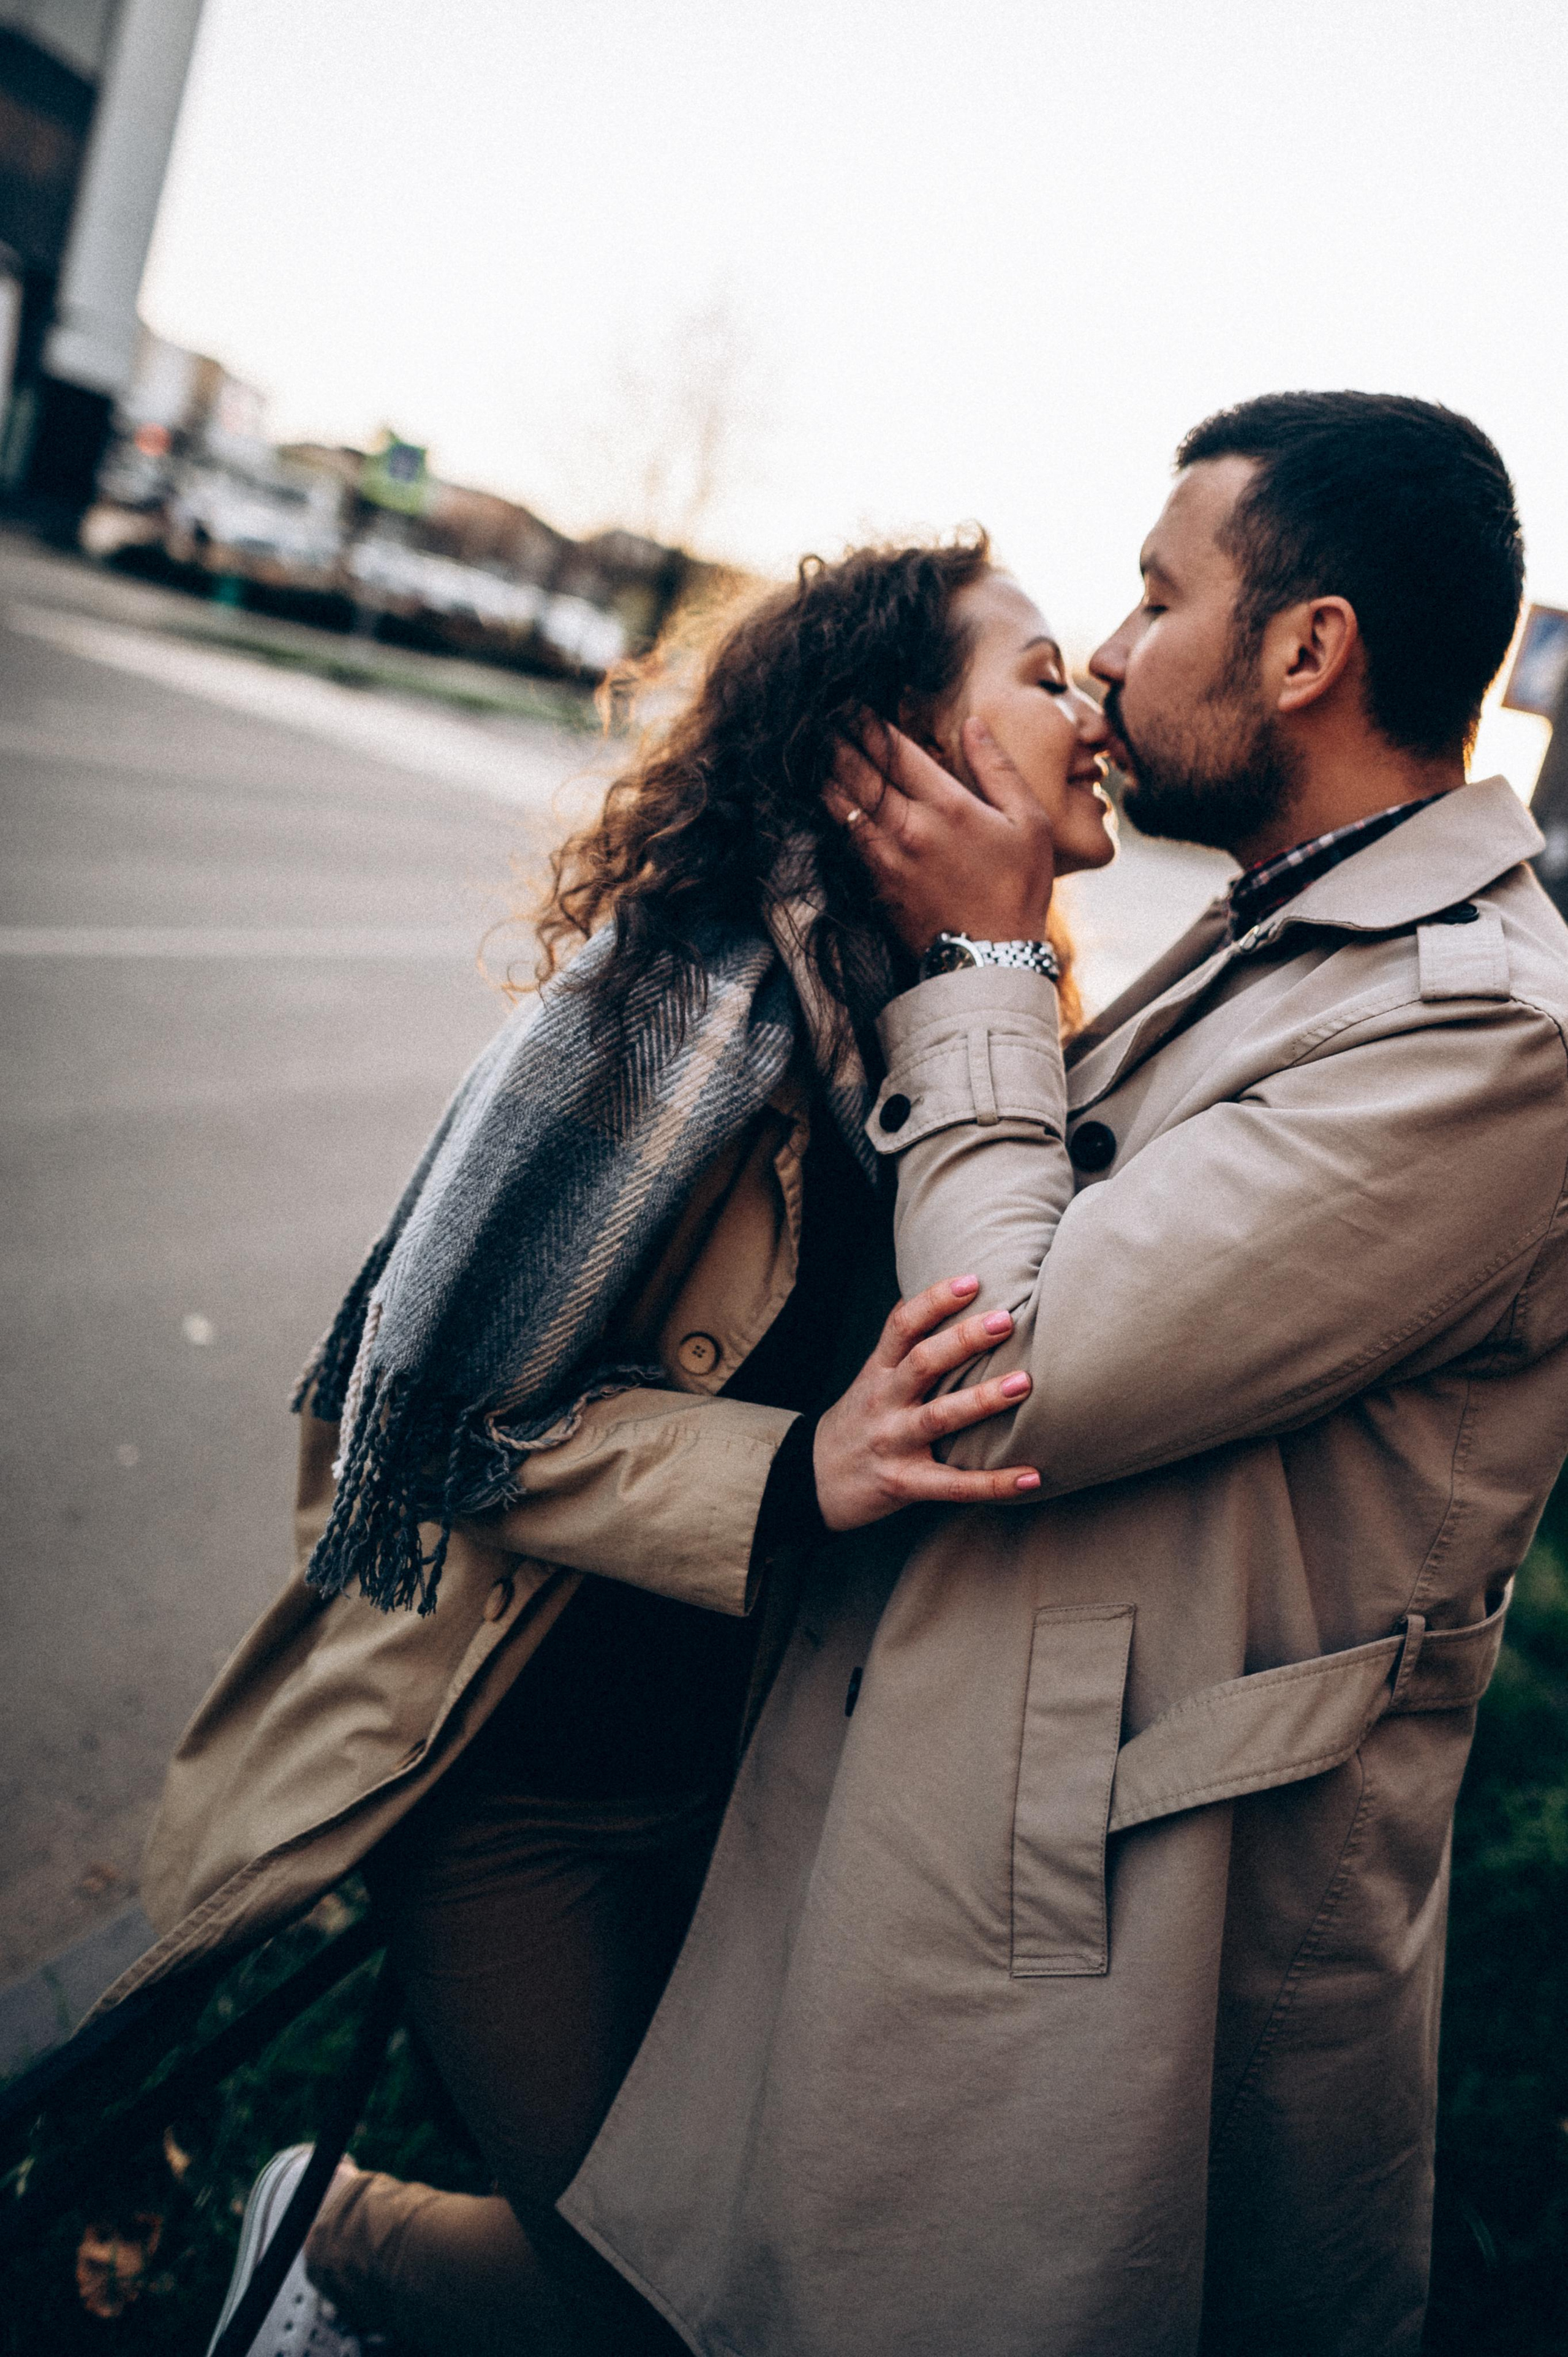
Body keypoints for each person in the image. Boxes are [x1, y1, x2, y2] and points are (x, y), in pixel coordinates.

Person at [557, 394, 1568, 2357]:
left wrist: (995, 975)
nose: (1110, 654)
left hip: (1139, 1907)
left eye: (1153, 592)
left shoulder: (1491, 1038)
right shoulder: (1307, 934)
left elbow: (1008, 1368)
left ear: (1304, 649)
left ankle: (337, 2250)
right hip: (994, 1803)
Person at [103, 538, 1114, 2357]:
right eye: (1044, 676)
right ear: (885, 748)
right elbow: (415, 1429)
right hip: (523, 1792)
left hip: (769, 1791)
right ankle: (330, 2236)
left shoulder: (994, 1016)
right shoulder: (675, 999)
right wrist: (796, 1470)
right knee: (660, 2307)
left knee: (752, 2262)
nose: (1095, 706)